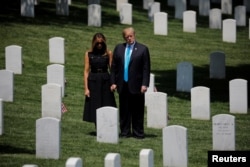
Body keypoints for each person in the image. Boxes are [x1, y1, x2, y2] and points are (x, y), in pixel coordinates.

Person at [110, 27, 151, 139]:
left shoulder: (143, 49)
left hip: (137, 85)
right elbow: (114, 67)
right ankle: (125, 132)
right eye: (126, 37)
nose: (129, 38)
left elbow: (146, 69)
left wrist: (144, 84)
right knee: (124, 110)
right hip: (123, 84)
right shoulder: (119, 48)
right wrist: (113, 82)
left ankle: (138, 133)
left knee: (137, 110)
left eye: (130, 36)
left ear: (134, 34)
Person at [83, 33, 116, 127]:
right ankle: (98, 125)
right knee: (95, 103)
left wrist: (113, 83)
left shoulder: (108, 53)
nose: (99, 45)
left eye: (101, 43)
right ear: (94, 43)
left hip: (105, 79)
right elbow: (86, 71)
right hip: (93, 80)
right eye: (97, 43)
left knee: (106, 102)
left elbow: (112, 69)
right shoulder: (88, 54)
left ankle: (107, 125)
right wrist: (86, 88)